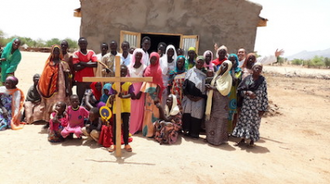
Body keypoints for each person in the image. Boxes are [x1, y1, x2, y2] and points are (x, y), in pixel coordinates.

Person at [232, 62, 268, 146]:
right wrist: (247, 92)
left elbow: (265, 95)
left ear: (261, 70)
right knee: (243, 122)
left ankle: (252, 140)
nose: (257, 69)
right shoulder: (248, 79)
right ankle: (242, 139)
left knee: (254, 123)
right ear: (252, 69)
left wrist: (263, 108)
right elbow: (239, 90)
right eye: (256, 67)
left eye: (259, 68)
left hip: (256, 107)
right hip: (246, 106)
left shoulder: (262, 80)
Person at [38, 45, 71, 127]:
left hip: (61, 87)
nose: (56, 53)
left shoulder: (63, 63)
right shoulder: (48, 63)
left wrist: (67, 88)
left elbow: (67, 77)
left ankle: (62, 121)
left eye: (57, 51)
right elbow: (44, 76)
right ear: (52, 52)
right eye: (54, 51)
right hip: (50, 89)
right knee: (49, 104)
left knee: (60, 104)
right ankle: (48, 121)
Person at [205, 60, 232, 145]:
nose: (223, 67)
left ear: (228, 68)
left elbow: (225, 90)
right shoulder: (217, 75)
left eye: (226, 66)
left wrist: (213, 88)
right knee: (212, 120)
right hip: (213, 100)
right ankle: (210, 138)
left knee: (220, 120)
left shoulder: (228, 77)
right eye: (223, 65)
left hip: (222, 102)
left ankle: (217, 140)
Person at [108, 65, 134, 152]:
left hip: (126, 108)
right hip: (116, 108)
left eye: (124, 72)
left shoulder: (129, 83)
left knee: (126, 126)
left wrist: (123, 96)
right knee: (116, 126)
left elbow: (132, 94)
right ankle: (115, 144)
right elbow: (111, 95)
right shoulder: (115, 84)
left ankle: (126, 143)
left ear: (126, 72)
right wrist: (113, 94)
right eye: (120, 71)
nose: (122, 73)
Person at [182, 56, 207, 138]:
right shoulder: (189, 72)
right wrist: (189, 96)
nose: (199, 64)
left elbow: (206, 89)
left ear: (203, 64)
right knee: (187, 113)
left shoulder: (205, 74)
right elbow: (185, 85)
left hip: (199, 99)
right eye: (198, 62)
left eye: (201, 62)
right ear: (195, 62)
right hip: (189, 97)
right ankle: (186, 130)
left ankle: (194, 133)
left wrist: (200, 97)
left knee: (197, 115)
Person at [141, 52, 163, 137]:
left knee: (154, 113)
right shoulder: (147, 68)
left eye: (155, 59)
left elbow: (159, 84)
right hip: (147, 94)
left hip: (154, 94)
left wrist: (157, 95)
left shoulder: (158, 69)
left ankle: (152, 132)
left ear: (157, 60)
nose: (152, 60)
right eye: (151, 58)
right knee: (147, 112)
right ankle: (146, 131)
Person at [72, 37, 98, 102]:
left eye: (84, 43)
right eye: (81, 43)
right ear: (78, 44)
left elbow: (95, 64)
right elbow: (76, 68)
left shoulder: (91, 52)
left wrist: (81, 62)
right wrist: (88, 63)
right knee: (80, 98)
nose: (83, 45)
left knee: (92, 98)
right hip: (80, 80)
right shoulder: (76, 54)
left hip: (90, 79)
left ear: (87, 44)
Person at [128, 48, 146, 134]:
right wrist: (130, 92)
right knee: (131, 110)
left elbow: (145, 81)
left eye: (140, 55)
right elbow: (127, 80)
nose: (138, 56)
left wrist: (140, 92)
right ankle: (131, 127)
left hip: (140, 90)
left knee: (139, 110)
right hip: (131, 90)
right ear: (134, 56)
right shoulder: (129, 66)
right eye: (137, 55)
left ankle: (138, 127)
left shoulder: (145, 67)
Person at [227, 54, 242, 133]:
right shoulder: (225, 69)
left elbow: (236, 81)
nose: (232, 62)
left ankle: (230, 131)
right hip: (225, 94)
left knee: (232, 114)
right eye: (230, 60)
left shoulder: (239, 71)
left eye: (234, 60)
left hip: (234, 95)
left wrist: (232, 70)